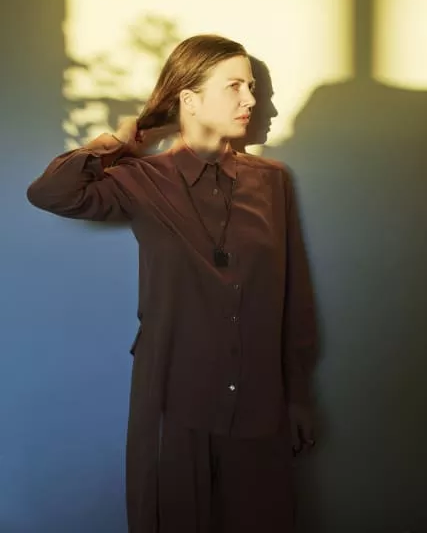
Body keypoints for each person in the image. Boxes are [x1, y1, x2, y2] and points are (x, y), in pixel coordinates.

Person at [27, 34, 317, 533]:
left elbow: (295, 294)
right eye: (235, 86)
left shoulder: (272, 181)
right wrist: (119, 142)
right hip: (172, 399)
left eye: (252, 87)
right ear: (190, 99)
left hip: (260, 400)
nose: (253, 101)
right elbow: (51, 192)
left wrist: (297, 396)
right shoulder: (141, 179)